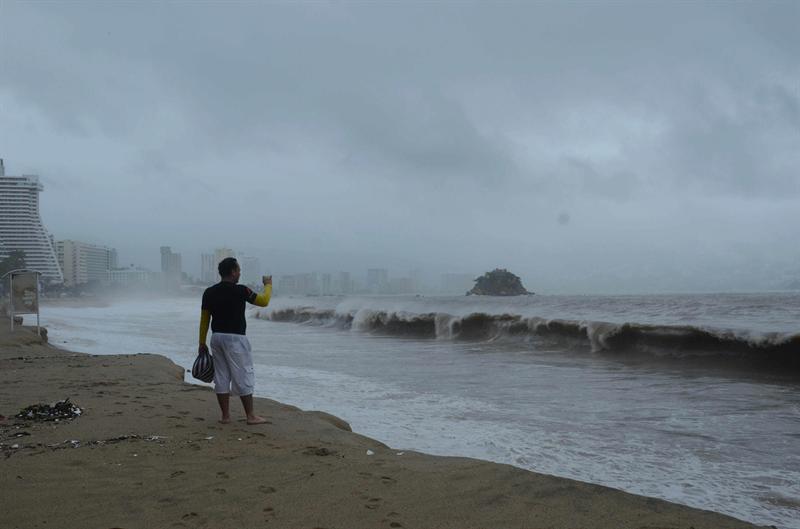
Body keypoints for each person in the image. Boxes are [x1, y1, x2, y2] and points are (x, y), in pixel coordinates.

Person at [198, 257, 272, 424]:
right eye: (238, 270)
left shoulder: (209, 292)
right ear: (232, 272)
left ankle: (225, 416)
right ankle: (250, 416)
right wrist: (268, 285)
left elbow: (204, 320)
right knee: (243, 374)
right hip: (235, 338)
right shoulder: (241, 290)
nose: (240, 273)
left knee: (221, 376)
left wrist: (201, 342)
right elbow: (264, 301)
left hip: (217, 337)